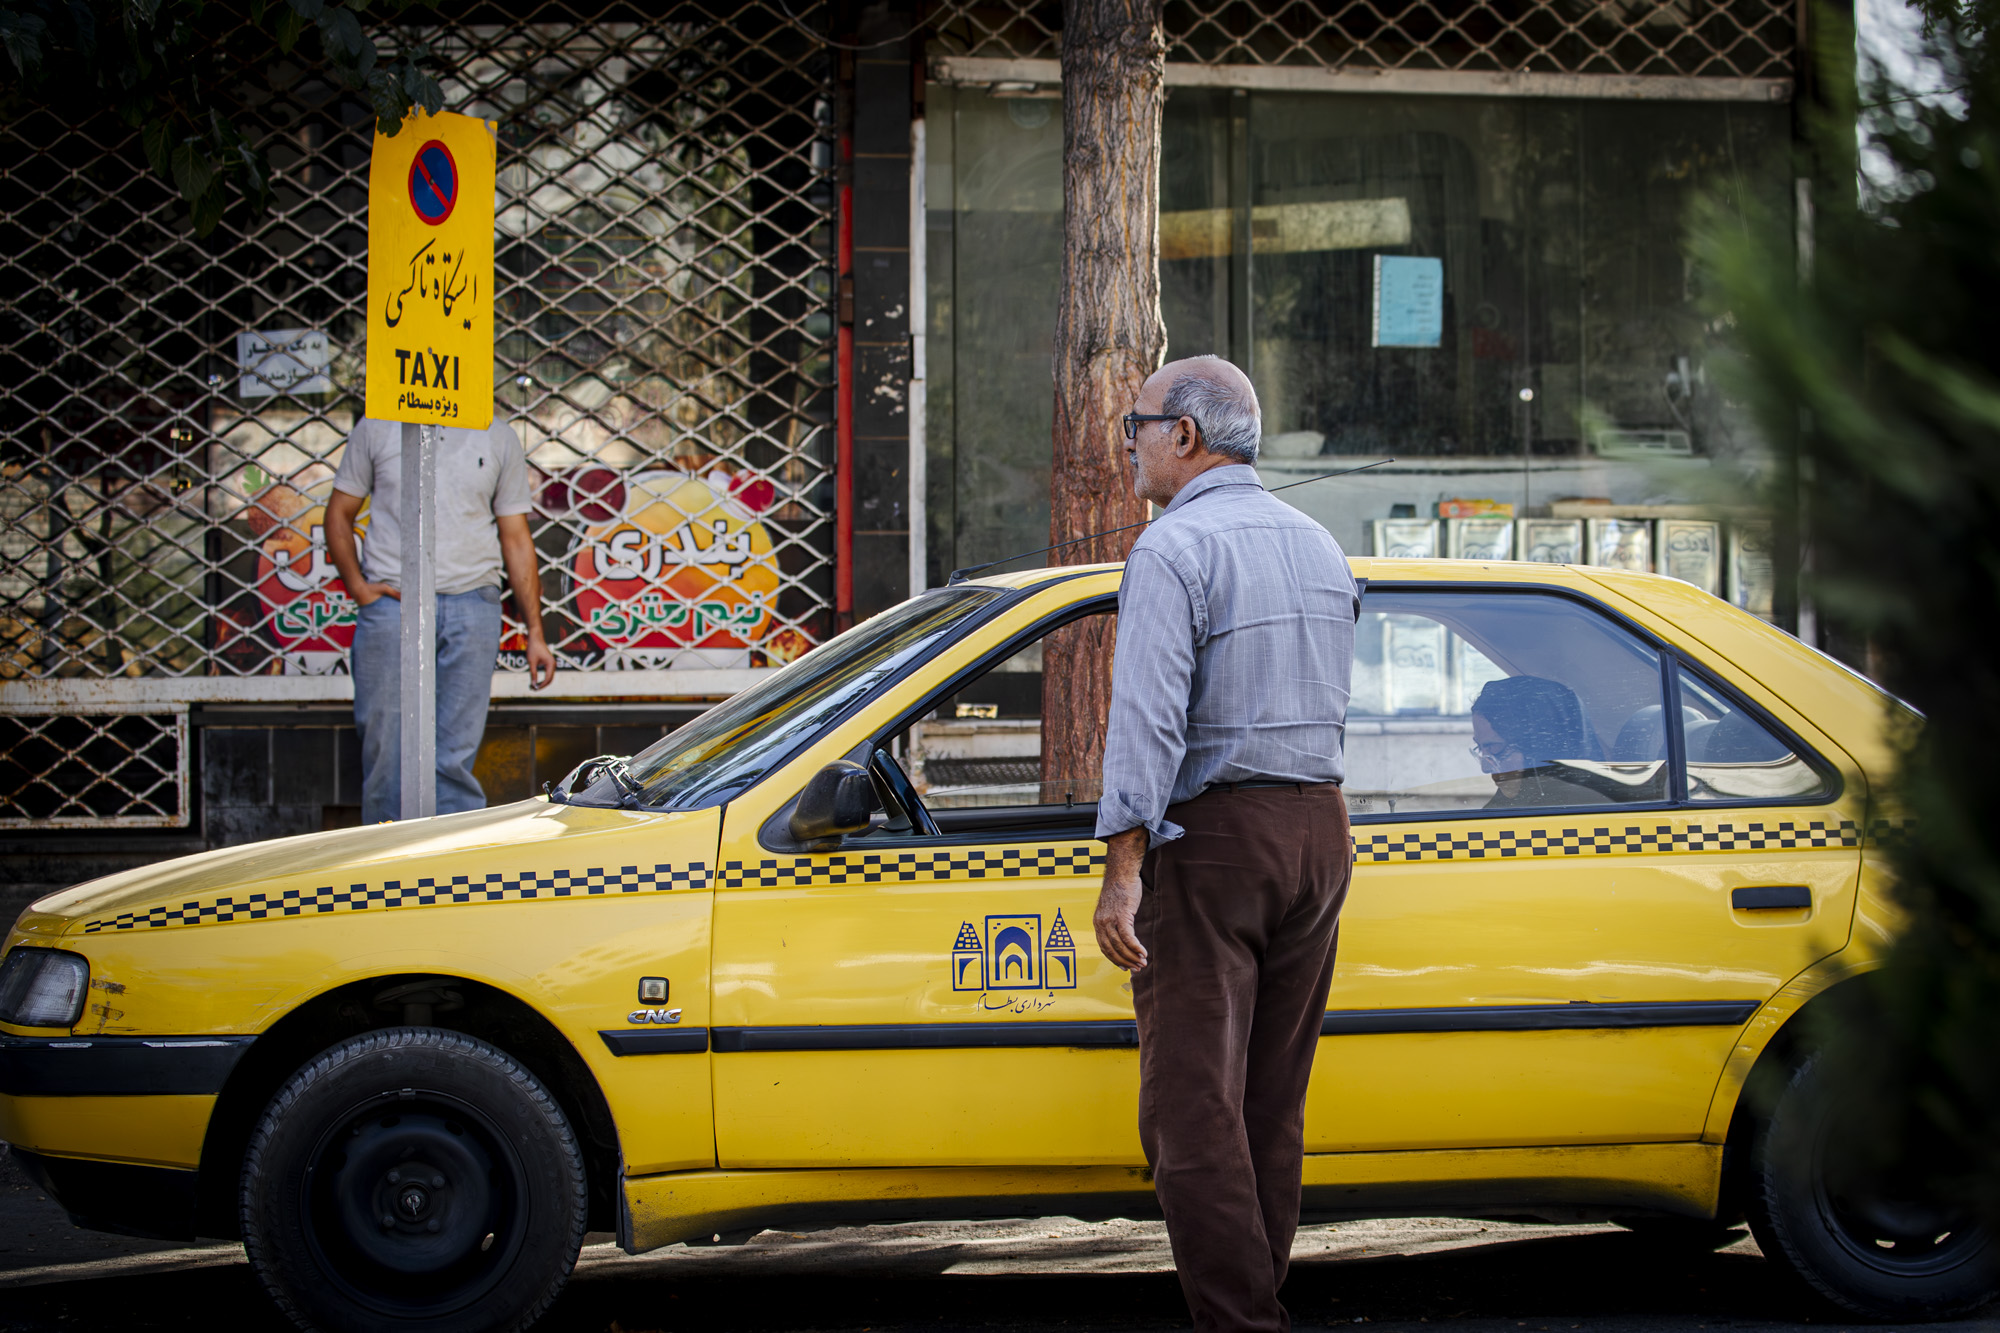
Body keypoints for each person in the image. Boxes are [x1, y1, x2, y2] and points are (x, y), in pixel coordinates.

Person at [1092, 356, 1359, 1333]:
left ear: (1186, 437)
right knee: (1265, 1102)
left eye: (1138, 423)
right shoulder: (1316, 543)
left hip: (1213, 842)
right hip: (1316, 830)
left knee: (1188, 1107)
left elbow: (1148, 719)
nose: (1129, 442)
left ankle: (1241, 1323)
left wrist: (1121, 869)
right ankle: (1252, 1297)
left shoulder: (1174, 547)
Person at [324, 414, 557, 823]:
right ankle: (384, 868)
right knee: (385, 752)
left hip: (473, 603)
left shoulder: (497, 436)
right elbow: (339, 513)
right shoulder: (378, 427)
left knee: (454, 755)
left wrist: (535, 632)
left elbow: (516, 537)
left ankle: (450, 868)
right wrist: (360, 589)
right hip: (392, 605)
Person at [1469, 675, 1608, 809]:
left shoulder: (1584, 810)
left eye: (1493, 747)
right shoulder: (1515, 802)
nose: (1485, 768)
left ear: (1536, 746)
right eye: (1479, 748)